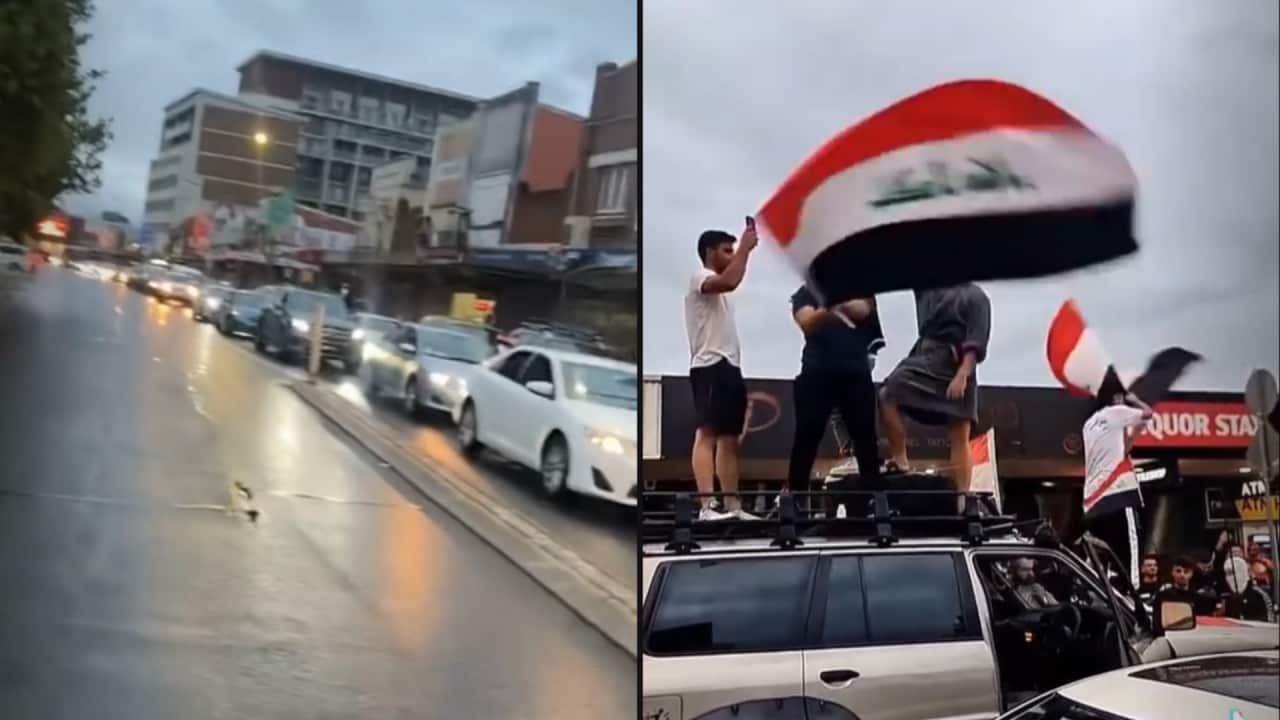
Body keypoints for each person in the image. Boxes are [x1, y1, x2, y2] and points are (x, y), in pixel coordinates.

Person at [879, 283, 991, 493]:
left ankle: (963, 495)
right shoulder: (927, 287)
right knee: (888, 393)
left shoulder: (975, 296)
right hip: (925, 357)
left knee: (959, 431)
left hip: (956, 363)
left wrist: (963, 374)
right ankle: (900, 458)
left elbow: (976, 340)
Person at [786, 286, 884, 507]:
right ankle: (795, 502)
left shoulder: (860, 288)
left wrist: (828, 306)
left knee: (866, 440)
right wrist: (836, 308)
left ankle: (873, 503)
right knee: (806, 439)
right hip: (816, 373)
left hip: (855, 373)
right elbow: (807, 322)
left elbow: (862, 310)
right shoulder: (805, 293)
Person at [685, 225, 758, 520]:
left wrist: (742, 252)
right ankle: (707, 506)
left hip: (730, 366)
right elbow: (730, 281)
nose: (731, 256)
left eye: (733, 251)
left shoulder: (725, 292)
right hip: (709, 365)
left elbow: (732, 280)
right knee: (707, 433)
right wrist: (746, 249)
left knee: (729, 439)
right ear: (709, 252)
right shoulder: (700, 277)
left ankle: (732, 506)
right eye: (726, 251)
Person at [1081, 392, 1154, 588]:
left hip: (1093, 502)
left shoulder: (1089, 425)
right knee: (1130, 552)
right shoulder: (1115, 413)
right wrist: (1134, 400)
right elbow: (1147, 413)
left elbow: (1125, 445)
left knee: (1102, 557)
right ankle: (1132, 595)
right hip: (1117, 495)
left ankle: (1096, 592)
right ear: (1114, 399)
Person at [1223, 556, 1277, 622]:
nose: (1229, 578)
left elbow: (1270, 620)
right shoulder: (1229, 599)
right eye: (1227, 574)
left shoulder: (1259, 595)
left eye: (1233, 573)